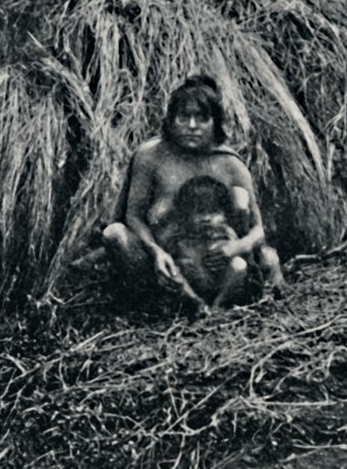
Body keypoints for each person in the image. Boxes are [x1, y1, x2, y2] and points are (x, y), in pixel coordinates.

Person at [100, 75, 284, 308]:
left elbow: (258, 230)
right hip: (167, 265)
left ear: (215, 123)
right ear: (171, 120)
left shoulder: (230, 164)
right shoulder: (150, 157)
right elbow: (133, 217)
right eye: (184, 117)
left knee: (256, 236)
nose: (192, 126)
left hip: (218, 267)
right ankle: (159, 303)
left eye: (202, 118)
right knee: (114, 234)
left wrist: (235, 248)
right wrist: (156, 252)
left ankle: (217, 303)